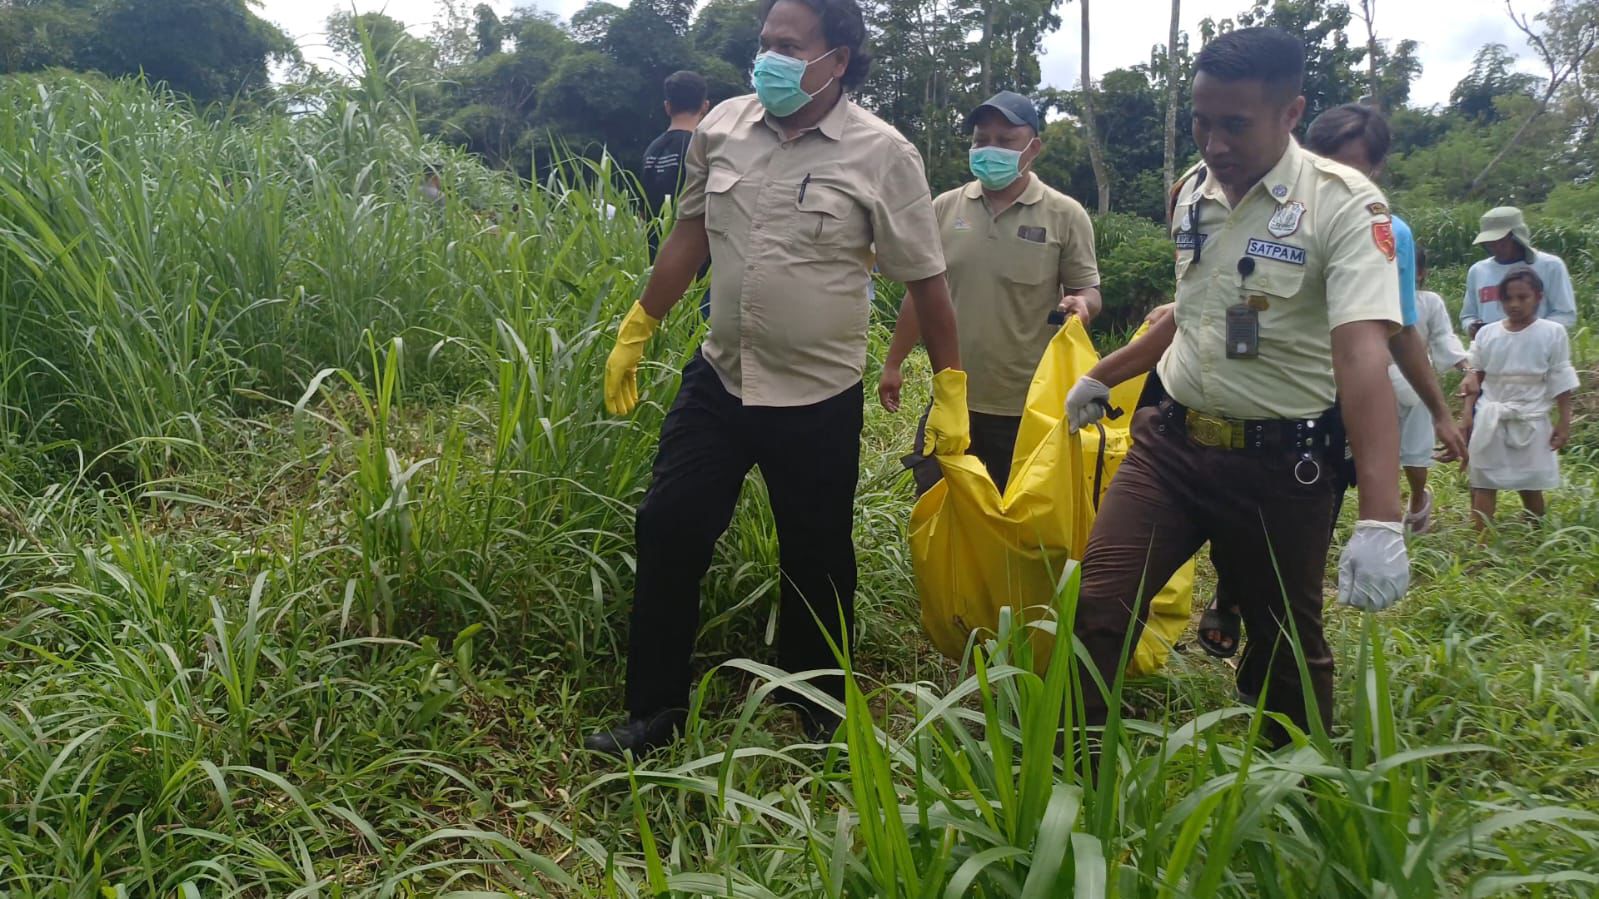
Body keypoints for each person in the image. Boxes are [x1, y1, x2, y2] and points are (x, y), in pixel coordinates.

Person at [585, 0, 967, 756]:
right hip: (719, 379)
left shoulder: (883, 153)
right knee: (668, 526)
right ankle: (654, 712)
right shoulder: (723, 127)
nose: (769, 59)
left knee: (816, 553)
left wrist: (947, 385)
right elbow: (688, 236)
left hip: (817, 395)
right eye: (764, 43)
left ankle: (818, 709)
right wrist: (639, 325)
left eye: (788, 45)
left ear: (839, 57)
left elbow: (926, 280)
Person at [1065, 27, 1410, 747]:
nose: (1213, 143)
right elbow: (1192, 313)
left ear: (1290, 113)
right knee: (1098, 605)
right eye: (1200, 120)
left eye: (1233, 124)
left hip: (1283, 464)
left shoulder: (1346, 206)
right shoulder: (1190, 191)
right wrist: (1102, 374)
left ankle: (1291, 796)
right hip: (1171, 446)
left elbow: (1361, 356)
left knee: (1284, 642)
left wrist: (1380, 515)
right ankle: (1074, 771)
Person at [1189, 101, 1470, 657]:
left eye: (1357, 169)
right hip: (1246, 387)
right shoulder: (1255, 203)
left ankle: (1275, 640)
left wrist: (1439, 411)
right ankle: (1231, 591)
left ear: (1378, 171)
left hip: (1330, 406)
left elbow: (1400, 328)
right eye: (1329, 162)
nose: (1342, 178)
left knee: (1297, 527)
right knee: (1227, 498)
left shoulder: (1384, 230)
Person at [878, 91, 1102, 494]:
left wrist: (1082, 304)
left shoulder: (1064, 214)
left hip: (1029, 406)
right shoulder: (945, 208)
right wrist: (893, 362)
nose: (989, 149)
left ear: (1032, 148)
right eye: (981, 139)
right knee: (937, 513)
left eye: (1005, 140)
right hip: (952, 399)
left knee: (1017, 521)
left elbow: (1088, 288)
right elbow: (921, 294)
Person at [1460, 269, 1579, 538]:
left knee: (1530, 480)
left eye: (1522, 297)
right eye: (1508, 298)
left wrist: (1564, 421)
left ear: (1538, 297)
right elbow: (1474, 376)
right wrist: (1466, 414)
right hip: (1491, 412)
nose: (1514, 304)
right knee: (1484, 480)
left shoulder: (1552, 333)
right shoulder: (1487, 334)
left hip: (1532, 415)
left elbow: (1560, 377)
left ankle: (1536, 533)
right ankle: (1481, 543)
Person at [1392, 246, 1470, 532]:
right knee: (1379, 451)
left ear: (1420, 272)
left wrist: (1467, 369)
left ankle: (1417, 500)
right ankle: (1385, 512)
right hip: (1375, 382)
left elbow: (1444, 339)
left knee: (1414, 455)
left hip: (1416, 384)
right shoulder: (1370, 301)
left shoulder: (1428, 302)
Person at [641, 71, 714, 316]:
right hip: (697, 273)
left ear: (667, 106)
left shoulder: (652, 150)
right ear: (705, 106)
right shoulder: (702, 149)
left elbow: (642, 210)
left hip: (658, 269)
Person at [1461, 207, 1579, 337]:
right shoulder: (1478, 271)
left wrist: (1527, 334)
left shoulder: (1550, 266)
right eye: (1489, 243)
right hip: (1491, 350)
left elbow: (1565, 314)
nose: (1495, 247)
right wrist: (1472, 327)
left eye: (1501, 241)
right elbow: (1468, 315)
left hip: (1536, 350)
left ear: (1517, 238)